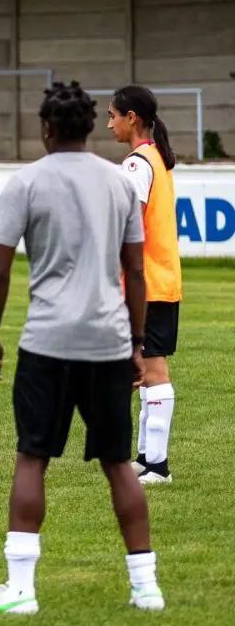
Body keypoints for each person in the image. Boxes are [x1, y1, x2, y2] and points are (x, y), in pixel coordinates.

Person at [0, 81, 164, 614]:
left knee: (33, 457)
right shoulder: (118, 182)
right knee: (119, 463)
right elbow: (134, 271)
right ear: (86, 127)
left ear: (47, 127)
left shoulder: (26, 182)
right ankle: (146, 586)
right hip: (107, 340)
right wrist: (137, 343)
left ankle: (22, 590)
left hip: (48, 342)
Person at [108, 85, 182, 485]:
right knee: (143, 369)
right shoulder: (157, 157)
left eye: (112, 115)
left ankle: (158, 465)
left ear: (131, 117)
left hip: (146, 284)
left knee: (153, 369)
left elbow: (129, 227)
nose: (109, 124)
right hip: (159, 279)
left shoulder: (137, 164)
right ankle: (145, 457)